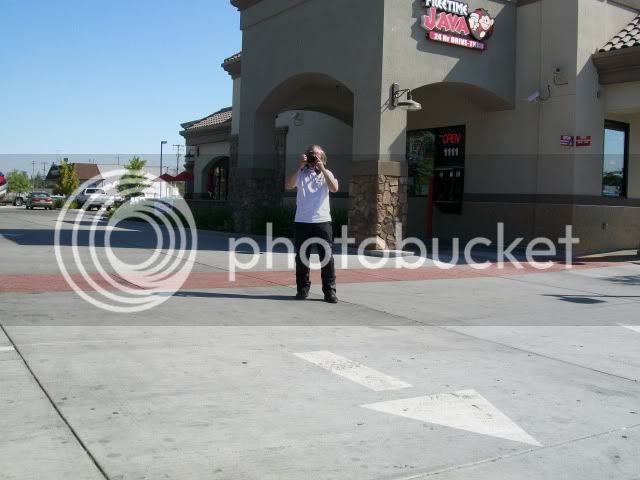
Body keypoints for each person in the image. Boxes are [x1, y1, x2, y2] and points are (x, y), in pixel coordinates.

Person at [285, 145, 339, 303]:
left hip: (322, 221)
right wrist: (299, 166)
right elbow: (288, 185)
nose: (313, 158)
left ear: (322, 157)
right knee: (302, 258)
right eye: (311, 155)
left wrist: (321, 167)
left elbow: (334, 188)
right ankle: (302, 290)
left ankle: (330, 292)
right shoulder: (300, 173)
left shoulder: (326, 173)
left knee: (327, 258)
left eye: (316, 155)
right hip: (302, 221)